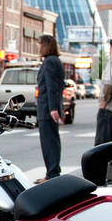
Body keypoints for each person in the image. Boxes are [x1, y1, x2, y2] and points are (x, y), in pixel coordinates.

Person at [35, 34, 65, 181]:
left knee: (49, 142)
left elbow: (52, 86)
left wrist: (53, 108)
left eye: (39, 44)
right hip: (49, 107)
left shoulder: (49, 62)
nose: (38, 47)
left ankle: (52, 173)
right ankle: (52, 171)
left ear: (45, 45)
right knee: (51, 140)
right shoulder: (55, 61)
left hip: (47, 108)